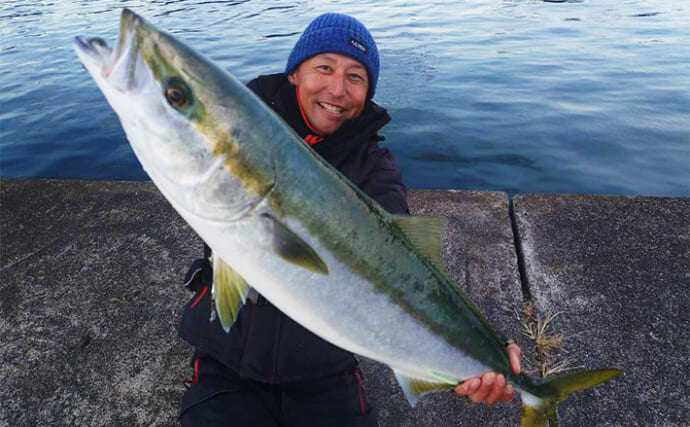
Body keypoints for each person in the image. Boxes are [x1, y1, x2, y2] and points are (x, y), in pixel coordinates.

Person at [177, 13, 521, 426]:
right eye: (324, 68)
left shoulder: (375, 165)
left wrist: (488, 348)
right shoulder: (243, 128)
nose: (337, 90)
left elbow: (409, 270)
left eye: (355, 77)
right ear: (294, 74)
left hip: (323, 371)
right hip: (227, 359)